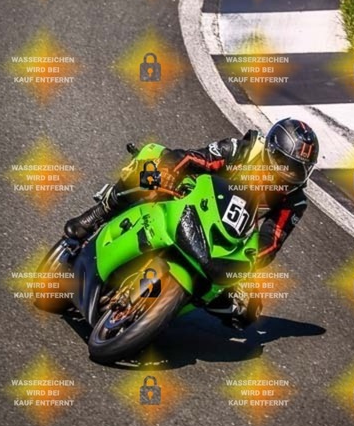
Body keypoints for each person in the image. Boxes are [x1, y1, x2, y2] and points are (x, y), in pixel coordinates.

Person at [64, 118, 319, 326]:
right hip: (193, 197)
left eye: (298, 170)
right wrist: (171, 170)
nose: (289, 174)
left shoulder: (294, 200)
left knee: (248, 311)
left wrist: (248, 264)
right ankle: (101, 211)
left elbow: (271, 241)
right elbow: (197, 158)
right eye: (286, 164)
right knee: (152, 156)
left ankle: (174, 301)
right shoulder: (245, 149)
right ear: (271, 152)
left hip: (227, 237)